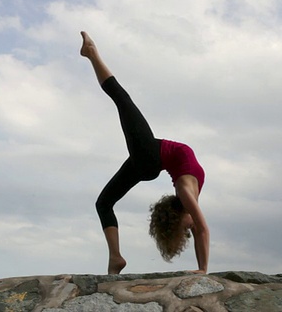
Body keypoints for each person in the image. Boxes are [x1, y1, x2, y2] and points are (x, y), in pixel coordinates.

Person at [80, 31, 210, 275]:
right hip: (149, 158)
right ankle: (115, 258)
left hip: (150, 155)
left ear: (179, 216)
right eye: (186, 231)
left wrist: (203, 269)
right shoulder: (188, 195)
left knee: (122, 99)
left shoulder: (185, 193)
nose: (189, 231)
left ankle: (92, 53)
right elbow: (201, 228)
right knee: (104, 203)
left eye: (183, 230)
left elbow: (201, 229)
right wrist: (202, 268)